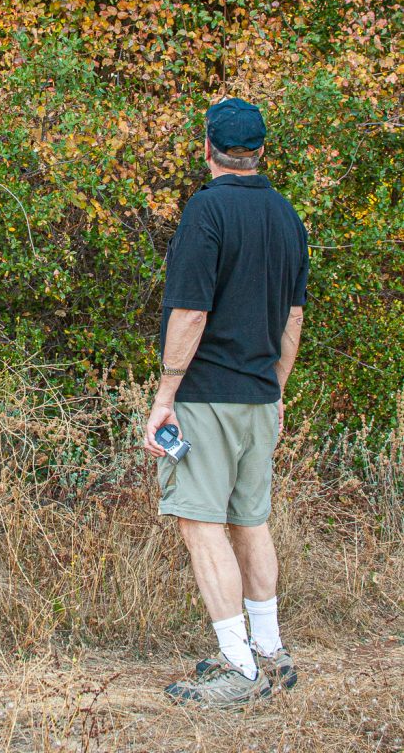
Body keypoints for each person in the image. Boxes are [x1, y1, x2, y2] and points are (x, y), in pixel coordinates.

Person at [143, 96, 309, 709]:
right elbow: (292, 317)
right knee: (251, 519)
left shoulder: (206, 211)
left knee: (201, 521)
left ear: (207, 149)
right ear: (259, 151)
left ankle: (238, 669)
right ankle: (269, 651)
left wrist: (164, 396)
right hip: (261, 395)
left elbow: (190, 312)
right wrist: (278, 389)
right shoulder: (288, 217)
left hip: (208, 394)